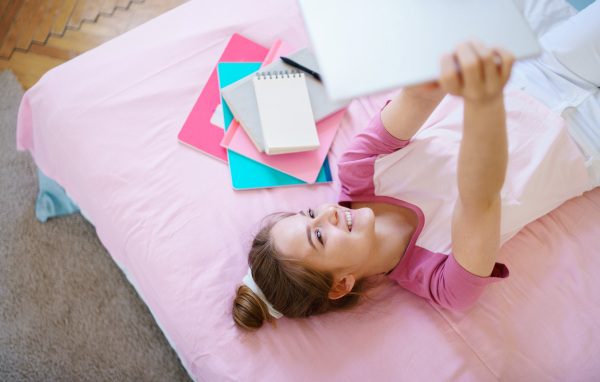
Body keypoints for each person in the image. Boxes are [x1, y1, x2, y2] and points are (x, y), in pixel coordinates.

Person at [233, 2, 600, 331]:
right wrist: (481, 100)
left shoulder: (357, 171)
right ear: (340, 284)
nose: (328, 211)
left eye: (309, 212)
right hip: (585, 143)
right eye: (319, 236)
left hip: (535, 74)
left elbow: (420, 95)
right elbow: (480, 200)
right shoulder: (443, 283)